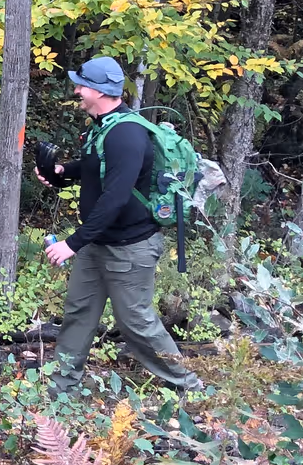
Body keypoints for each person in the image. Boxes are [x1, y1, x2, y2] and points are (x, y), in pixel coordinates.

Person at [36, 56, 203, 393]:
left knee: (136, 322)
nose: (77, 91)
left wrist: (72, 243)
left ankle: (189, 384)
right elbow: (94, 167)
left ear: (100, 91)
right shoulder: (101, 127)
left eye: (82, 86)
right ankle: (60, 390)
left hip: (130, 248)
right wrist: (62, 172)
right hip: (98, 243)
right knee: (78, 314)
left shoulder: (127, 134)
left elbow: (114, 198)